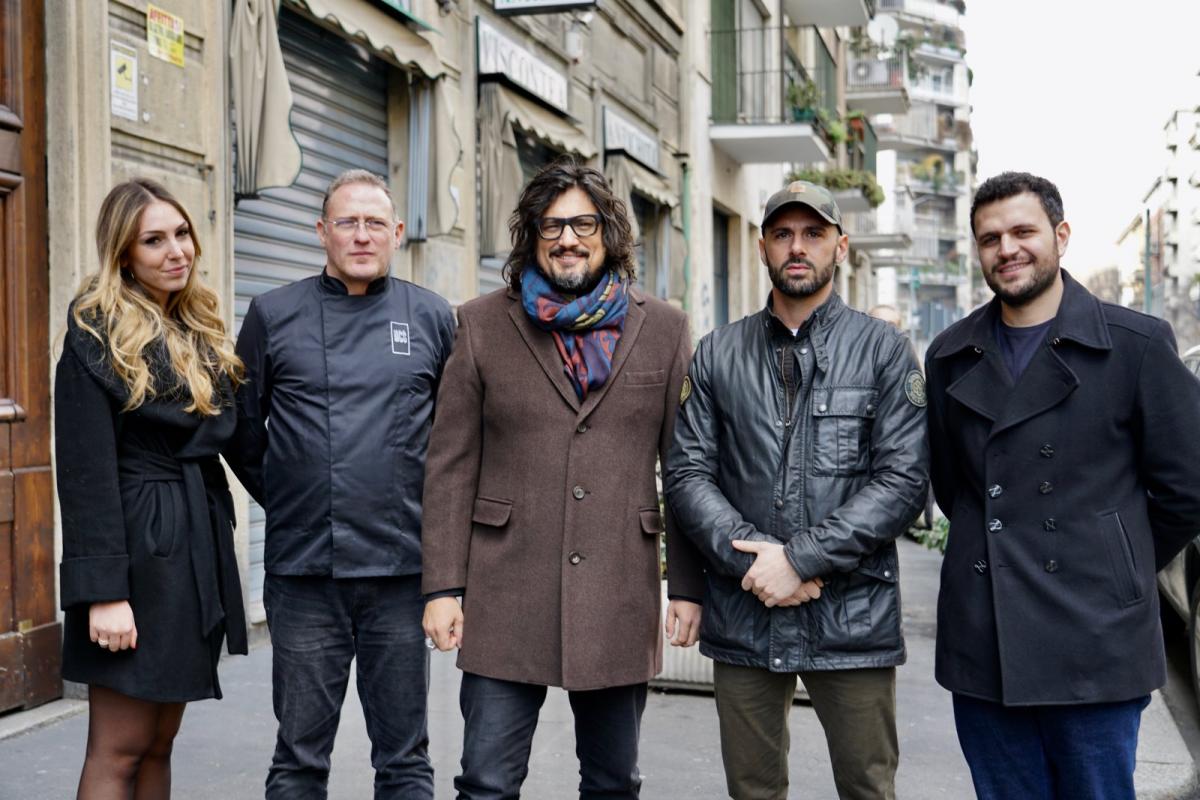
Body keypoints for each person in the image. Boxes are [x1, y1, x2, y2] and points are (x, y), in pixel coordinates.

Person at [420, 156, 705, 800]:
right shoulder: (483, 323)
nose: (567, 239)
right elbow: (449, 464)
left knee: (612, 783)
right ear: (531, 236)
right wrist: (441, 586)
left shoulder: (662, 328)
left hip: (618, 589)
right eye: (551, 226)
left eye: (582, 223)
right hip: (504, 588)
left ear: (609, 234)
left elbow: (684, 466)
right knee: (486, 781)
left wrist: (687, 586)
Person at [924, 171, 1200, 800]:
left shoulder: (1135, 344)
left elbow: (1188, 487)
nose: (1007, 249)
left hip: (1095, 640)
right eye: (990, 238)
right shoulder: (948, 354)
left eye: (1023, 231)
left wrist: (1114, 560)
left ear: (1061, 235)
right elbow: (952, 486)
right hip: (985, 636)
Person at [665, 180, 929, 800]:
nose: (797, 247)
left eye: (813, 234)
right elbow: (687, 473)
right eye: (783, 234)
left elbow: (903, 481)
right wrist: (760, 562)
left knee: (868, 786)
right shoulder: (717, 354)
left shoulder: (884, 351)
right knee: (753, 789)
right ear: (761, 248)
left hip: (851, 611)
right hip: (745, 609)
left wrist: (803, 560)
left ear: (841, 246)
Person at [225, 169, 455, 799]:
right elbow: (241, 430)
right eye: (347, 222)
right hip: (305, 575)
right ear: (321, 231)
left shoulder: (434, 317)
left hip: (403, 572)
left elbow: (457, 446)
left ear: (398, 233)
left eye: (375, 222)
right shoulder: (273, 313)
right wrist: (299, 496)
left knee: (405, 757)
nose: (361, 235)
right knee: (299, 757)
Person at [56, 178, 247, 798]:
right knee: (119, 748)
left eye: (182, 233)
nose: (177, 251)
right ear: (123, 254)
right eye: (154, 240)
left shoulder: (195, 328)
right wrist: (104, 592)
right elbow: (84, 475)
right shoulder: (96, 334)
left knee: (160, 743)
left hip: (192, 549)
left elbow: (241, 442)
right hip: (137, 553)